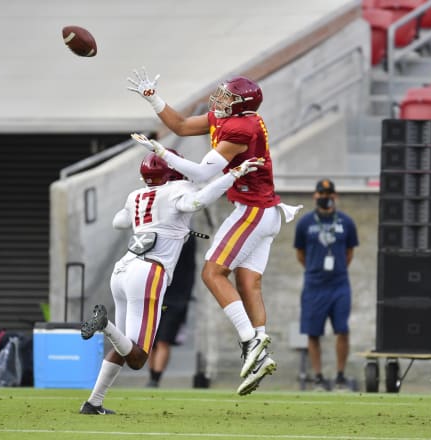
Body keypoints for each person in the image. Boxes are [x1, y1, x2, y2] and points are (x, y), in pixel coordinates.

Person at [127, 68, 302, 396]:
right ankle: (260, 352)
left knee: (211, 273)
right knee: (248, 283)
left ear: (242, 106)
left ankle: (251, 343)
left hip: (252, 211)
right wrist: (154, 100)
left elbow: (201, 173)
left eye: (227, 98)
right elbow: (179, 125)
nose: (219, 100)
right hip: (265, 211)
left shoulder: (240, 128)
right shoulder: (232, 119)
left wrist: (162, 153)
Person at [79, 150, 263, 415]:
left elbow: (119, 222)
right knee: (139, 357)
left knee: (124, 346)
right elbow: (196, 203)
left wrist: (159, 222)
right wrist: (232, 175)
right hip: (148, 273)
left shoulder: (136, 196)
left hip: (122, 271)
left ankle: (93, 403)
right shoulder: (177, 189)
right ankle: (104, 325)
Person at [293, 179, 359, 392]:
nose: (325, 197)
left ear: (335, 196)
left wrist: (336, 268)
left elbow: (349, 253)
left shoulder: (346, 222)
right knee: (313, 332)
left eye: (329, 193)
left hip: (339, 283)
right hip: (314, 284)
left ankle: (340, 376)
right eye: (322, 193)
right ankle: (319, 378)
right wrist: (315, 269)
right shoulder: (305, 223)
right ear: (315, 195)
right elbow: (300, 254)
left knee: (342, 329)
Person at [146, 234, 196, 388]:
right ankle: (152, 378)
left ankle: (155, 380)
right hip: (155, 296)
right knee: (151, 342)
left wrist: (185, 297)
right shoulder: (155, 234)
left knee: (163, 340)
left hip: (176, 300)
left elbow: (190, 268)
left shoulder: (187, 237)